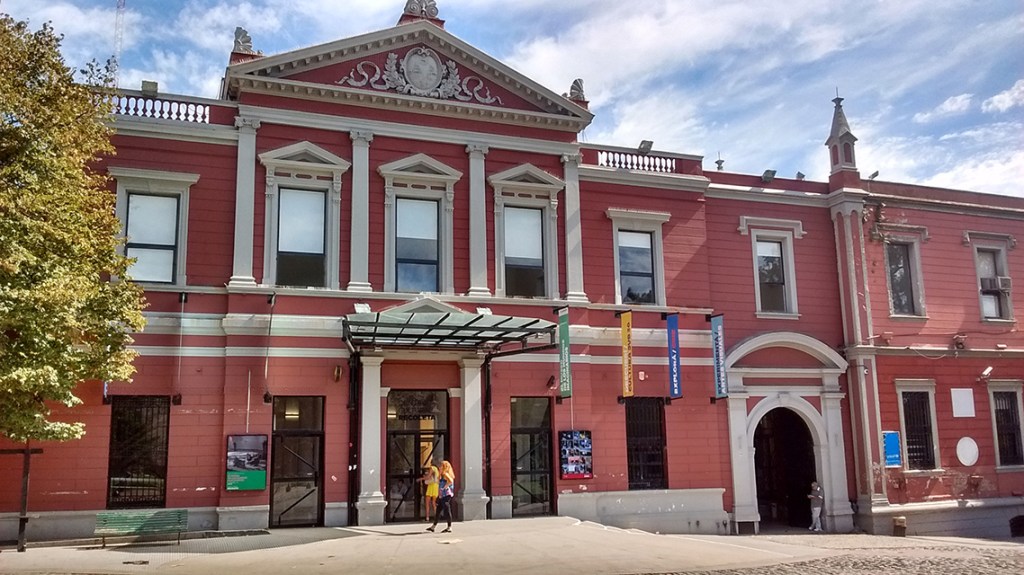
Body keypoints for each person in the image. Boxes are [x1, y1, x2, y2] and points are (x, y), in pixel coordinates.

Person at [426, 460, 455, 533]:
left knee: (447, 510)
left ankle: (449, 527)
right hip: (442, 495)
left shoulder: (445, 474)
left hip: (446, 495)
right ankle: (433, 526)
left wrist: (445, 487)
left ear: (445, 467)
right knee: (438, 510)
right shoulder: (442, 475)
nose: (439, 467)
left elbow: (451, 481)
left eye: (441, 466)